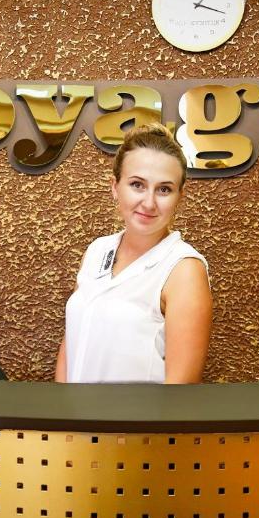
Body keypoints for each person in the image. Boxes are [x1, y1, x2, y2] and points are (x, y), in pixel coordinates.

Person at [54, 123, 212, 384]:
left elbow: (180, 391)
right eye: (137, 185)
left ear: (179, 197)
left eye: (164, 189)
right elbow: (72, 341)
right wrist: (62, 414)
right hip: (75, 421)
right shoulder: (97, 251)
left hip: (134, 424)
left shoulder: (184, 269)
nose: (149, 203)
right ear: (115, 186)